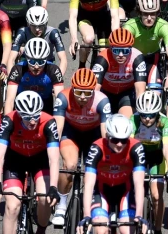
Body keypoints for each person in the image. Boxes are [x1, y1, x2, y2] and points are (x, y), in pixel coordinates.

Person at [0, 91, 60, 234]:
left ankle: (41, 230)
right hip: (15, 159)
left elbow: (54, 159)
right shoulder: (9, 120)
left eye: (36, 116)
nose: (32, 121)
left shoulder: (48, 122)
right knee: (12, 207)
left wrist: (54, 187)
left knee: (44, 199)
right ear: (18, 113)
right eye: (26, 117)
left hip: (39, 159)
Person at [51, 68, 110, 225]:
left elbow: (105, 135)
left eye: (87, 93)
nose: (83, 97)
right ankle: (62, 205)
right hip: (72, 133)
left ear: (94, 90)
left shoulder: (102, 100)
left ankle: (94, 199)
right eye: (78, 92)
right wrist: (53, 153)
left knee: (99, 166)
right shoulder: (63, 97)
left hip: (94, 134)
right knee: (69, 165)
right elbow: (57, 129)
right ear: (72, 88)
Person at [77, 114, 148, 234]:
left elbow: (138, 184)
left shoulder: (136, 147)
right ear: (107, 136)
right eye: (115, 140)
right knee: (101, 229)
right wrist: (87, 215)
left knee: (127, 230)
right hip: (101, 189)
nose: (119, 144)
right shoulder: (96, 148)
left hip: (125, 190)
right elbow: (88, 184)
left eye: (124, 140)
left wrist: (139, 215)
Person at [131, 91, 168, 234]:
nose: (147, 119)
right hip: (139, 156)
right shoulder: (134, 119)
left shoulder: (164, 121)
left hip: (157, 157)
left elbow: (167, 149)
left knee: (156, 196)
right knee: (134, 190)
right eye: (143, 115)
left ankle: (157, 229)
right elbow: (129, 146)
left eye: (151, 115)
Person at [68, 0, 120, 68]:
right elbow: (72, 17)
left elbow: (115, 17)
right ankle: (81, 66)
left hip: (103, 16)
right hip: (85, 16)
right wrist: (74, 40)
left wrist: (115, 39)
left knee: (104, 50)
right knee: (88, 39)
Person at [123, 0, 168, 91]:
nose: (149, 18)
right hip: (134, 61)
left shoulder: (163, 25)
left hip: (153, 60)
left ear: (158, 13)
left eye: (152, 14)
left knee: (155, 94)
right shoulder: (130, 26)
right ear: (139, 13)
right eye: (145, 14)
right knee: (137, 92)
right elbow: (123, 50)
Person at [91, 29, 147, 117]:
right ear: (110, 48)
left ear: (130, 48)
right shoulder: (103, 58)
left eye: (125, 51)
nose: (121, 55)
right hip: (106, 93)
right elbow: (95, 89)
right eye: (116, 51)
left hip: (126, 94)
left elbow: (140, 90)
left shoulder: (137, 57)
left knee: (125, 120)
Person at [4, 37, 64, 115]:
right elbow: (10, 101)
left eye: (41, 62)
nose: (36, 66)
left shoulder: (53, 70)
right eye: (32, 61)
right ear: (26, 58)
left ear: (46, 59)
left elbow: (60, 102)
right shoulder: (17, 70)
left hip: (45, 104)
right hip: (22, 103)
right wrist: (7, 121)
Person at [9, 6, 67, 76]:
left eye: (40, 25)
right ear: (28, 24)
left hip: (47, 62)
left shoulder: (53, 33)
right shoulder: (22, 32)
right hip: (28, 62)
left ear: (46, 23)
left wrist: (59, 78)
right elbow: (11, 59)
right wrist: (11, 79)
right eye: (33, 25)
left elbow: (63, 59)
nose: (37, 29)